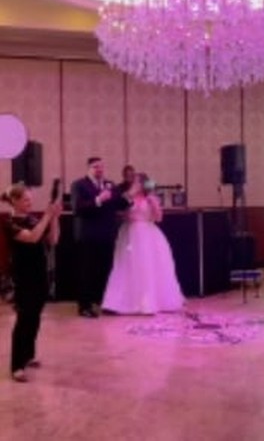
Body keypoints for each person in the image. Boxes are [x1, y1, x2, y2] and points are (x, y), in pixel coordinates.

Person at [1, 184, 61, 382]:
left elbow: (52, 240)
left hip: (39, 275)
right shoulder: (9, 223)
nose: (29, 203)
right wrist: (46, 216)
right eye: (25, 200)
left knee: (34, 317)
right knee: (24, 319)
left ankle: (28, 355)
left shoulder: (33, 219)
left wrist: (55, 218)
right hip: (23, 277)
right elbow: (33, 237)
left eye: (30, 199)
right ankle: (17, 366)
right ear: (15, 202)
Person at [101, 174, 185, 315]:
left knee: (147, 267)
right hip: (130, 234)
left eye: (138, 182)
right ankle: (121, 303)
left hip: (148, 234)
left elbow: (158, 218)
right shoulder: (127, 197)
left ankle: (148, 303)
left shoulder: (151, 198)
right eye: (134, 182)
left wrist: (153, 205)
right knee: (126, 266)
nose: (136, 184)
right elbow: (120, 214)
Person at [71, 157, 131, 318]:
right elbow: (77, 208)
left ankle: (105, 303)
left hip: (107, 234)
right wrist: (98, 200)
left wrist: (130, 196)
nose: (99, 170)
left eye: (101, 167)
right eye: (95, 167)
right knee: (87, 271)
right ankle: (84, 306)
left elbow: (121, 204)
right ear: (88, 168)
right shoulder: (79, 185)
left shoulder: (110, 185)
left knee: (106, 270)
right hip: (88, 235)